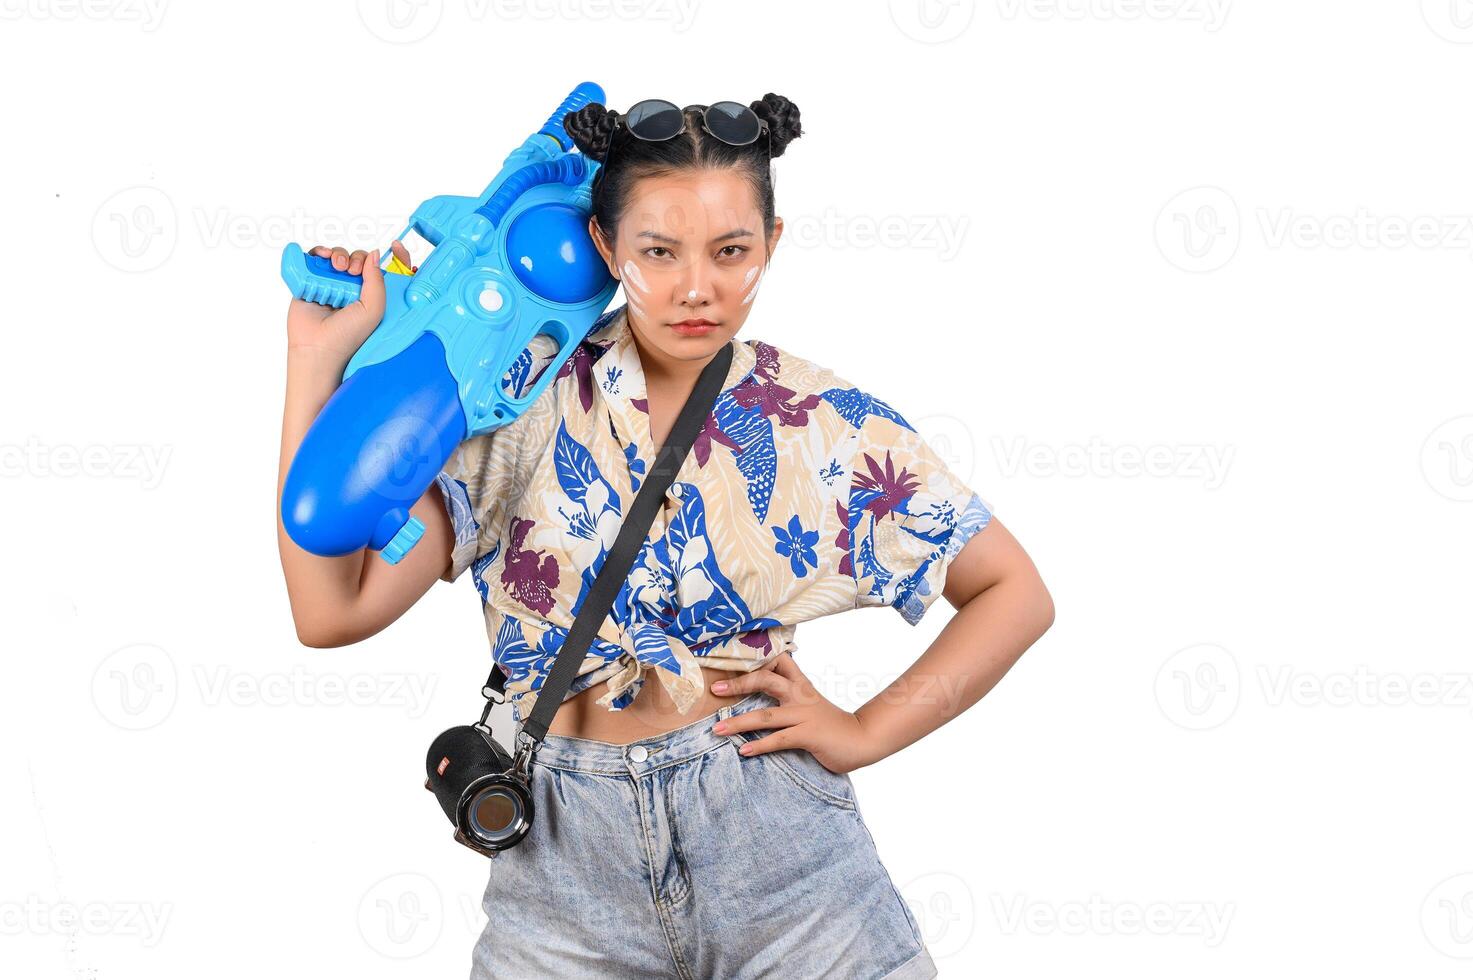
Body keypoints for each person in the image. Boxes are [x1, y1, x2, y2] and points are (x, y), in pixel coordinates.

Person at [276, 93, 1054, 980]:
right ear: (605, 250)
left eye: (731, 251)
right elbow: (328, 610)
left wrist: (866, 731)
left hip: (785, 863)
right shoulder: (513, 410)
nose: (696, 287)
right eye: (657, 251)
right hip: (562, 869)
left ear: (772, 243)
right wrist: (314, 360)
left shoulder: (820, 422)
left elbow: (1013, 593)